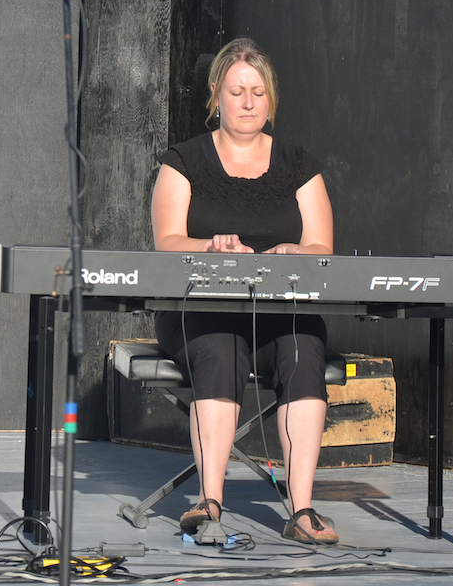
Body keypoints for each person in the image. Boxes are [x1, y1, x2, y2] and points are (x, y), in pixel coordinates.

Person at [151, 38, 338, 544]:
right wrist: (209, 246)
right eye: (237, 91)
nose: (248, 101)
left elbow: (322, 247)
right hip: (199, 307)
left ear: (270, 98)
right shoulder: (182, 160)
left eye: (258, 92)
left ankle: (301, 510)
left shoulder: (300, 164)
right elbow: (166, 241)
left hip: (278, 309)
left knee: (303, 347)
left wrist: (291, 252)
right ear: (216, 94)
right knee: (219, 347)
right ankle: (209, 501)